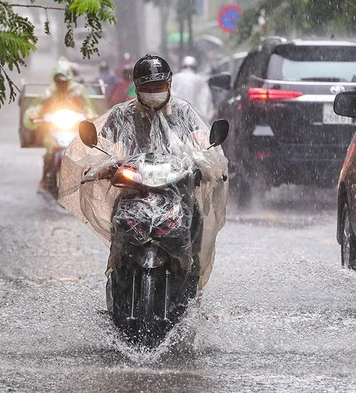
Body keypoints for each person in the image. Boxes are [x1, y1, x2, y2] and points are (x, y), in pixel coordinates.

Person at [58, 54, 228, 294]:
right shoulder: (122, 115)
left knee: (196, 216)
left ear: (169, 84)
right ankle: (118, 275)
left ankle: (191, 278)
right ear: (137, 87)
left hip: (176, 186)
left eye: (158, 86)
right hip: (133, 185)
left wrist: (209, 165)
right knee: (120, 218)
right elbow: (105, 146)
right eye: (147, 87)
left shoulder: (183, 111)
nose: (153, 91)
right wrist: (97, 166)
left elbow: (200, 140)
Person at [23, 57, 97, 193]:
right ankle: (45, 177)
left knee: (86, 152)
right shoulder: (48, 94)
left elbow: (88, 109)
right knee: (50, 150)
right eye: (58, 82)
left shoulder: (79, 92)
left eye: (64, 81)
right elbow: (36, 108)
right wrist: (34, 115)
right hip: (54, 131)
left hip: (75, 130)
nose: (61, 85)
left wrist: (92, 116)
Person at [171, 55, 215, 121]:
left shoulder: (175, 78)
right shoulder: (200, 80)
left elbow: (170, 94)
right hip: (195, 117)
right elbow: (205, 100)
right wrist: (204, 117)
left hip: (177, 116)